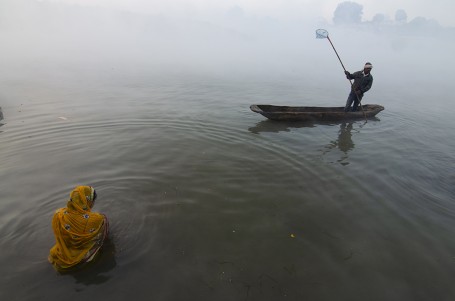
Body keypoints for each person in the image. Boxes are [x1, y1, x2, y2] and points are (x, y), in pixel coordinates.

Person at [49, 185, 108, 271]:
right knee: (105, 222)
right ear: (88, 201)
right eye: (93, 201)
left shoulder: (58, 215)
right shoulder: (96, 219)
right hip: (82, 256)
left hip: (60, 255)